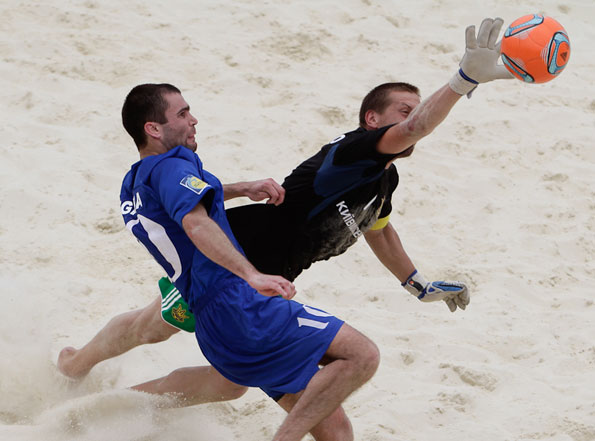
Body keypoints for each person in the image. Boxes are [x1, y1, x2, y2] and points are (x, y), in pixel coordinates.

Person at [58, 16, 511, 439]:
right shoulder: (353, 152)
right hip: (233, 262)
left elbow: (379, 230)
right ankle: (77, 366)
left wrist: (417, 285)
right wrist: (462, 81)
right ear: (372, 120)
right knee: (152, 326)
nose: (415, 115)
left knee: (228, 382)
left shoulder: (382, 181)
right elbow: (415, 127)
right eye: (404, 109)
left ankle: (107, 408)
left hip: (261, 286)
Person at [113, 82, 381, 441]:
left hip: (213, 320)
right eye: (182, 113)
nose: (193, 120)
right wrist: (251, 274)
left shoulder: (136, 180)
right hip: (238, 305)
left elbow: (178, 201)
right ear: (154, 129)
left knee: (333, 428)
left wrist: (240, 189)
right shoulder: (170, 168)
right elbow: (195, 223)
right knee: (362, 355)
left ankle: (111, 408)